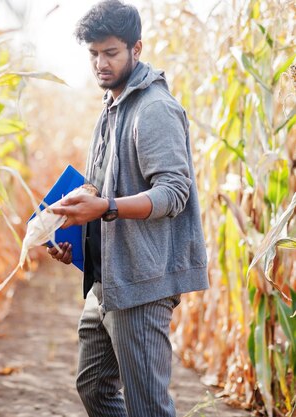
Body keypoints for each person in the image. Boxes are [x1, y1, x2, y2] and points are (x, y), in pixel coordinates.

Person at [47, 1, 209, 416]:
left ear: (136, 48)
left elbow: (173, 192)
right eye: (93, 53)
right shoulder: (112, 104)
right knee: (94, 387)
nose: (100, 63)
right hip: (108, 281)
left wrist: (105, 207)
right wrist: (73, 238)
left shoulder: (154, 108)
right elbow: (103, 187)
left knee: (148, 406)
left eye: (110, 52)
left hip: (141, 282)